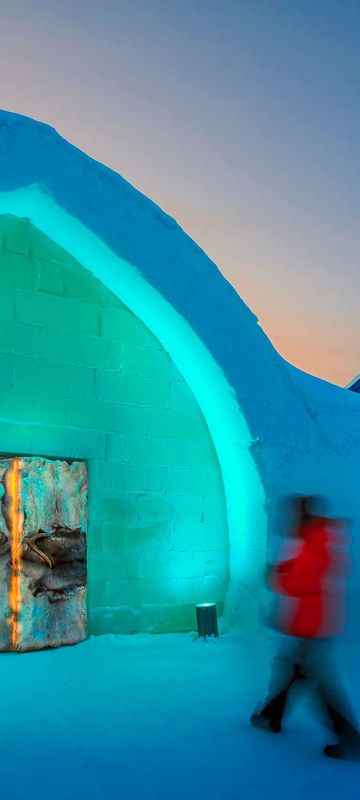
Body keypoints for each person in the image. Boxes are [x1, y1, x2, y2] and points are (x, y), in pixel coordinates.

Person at [251, 495, 360, 761]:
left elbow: (304, 583)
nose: (288, 521)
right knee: (291, 670)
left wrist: (275, 579)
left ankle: (350, 741)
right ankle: (271, 717)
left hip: (314, 625)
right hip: (311, 623)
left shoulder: (315, 541)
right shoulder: (315, 538)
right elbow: (301, 567)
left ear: (303, 516)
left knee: (317, 682)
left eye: (293, 515)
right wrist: (281, 568)